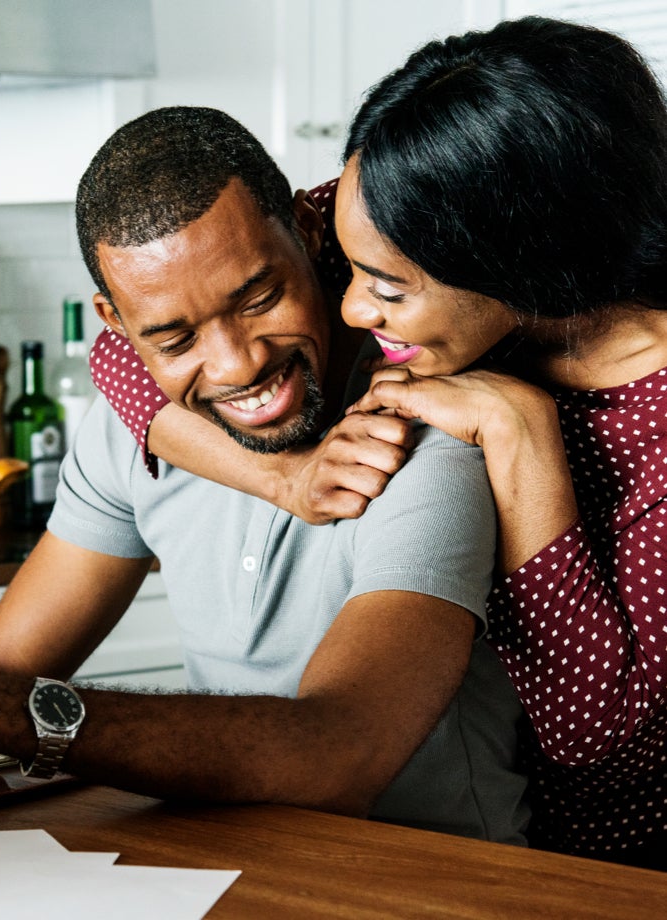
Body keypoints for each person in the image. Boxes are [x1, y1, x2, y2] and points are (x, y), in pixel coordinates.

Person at [0, 106, 529, 844]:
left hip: (441, 881)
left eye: (258, 298)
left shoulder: (421, 428)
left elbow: (338, 751)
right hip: (249, 865)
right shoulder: (129, 438)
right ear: (116, 327)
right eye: (175, 337)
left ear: (310, 234)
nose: (237, 365)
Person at [89, 17, 667, 868]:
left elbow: (595, 736)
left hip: (598, 874)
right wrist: (286, 478)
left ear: (520, 263)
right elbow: (127, 348)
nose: (351, 308)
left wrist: (520, 432)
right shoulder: (396, 202)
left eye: (386, 288)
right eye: (351, 268)